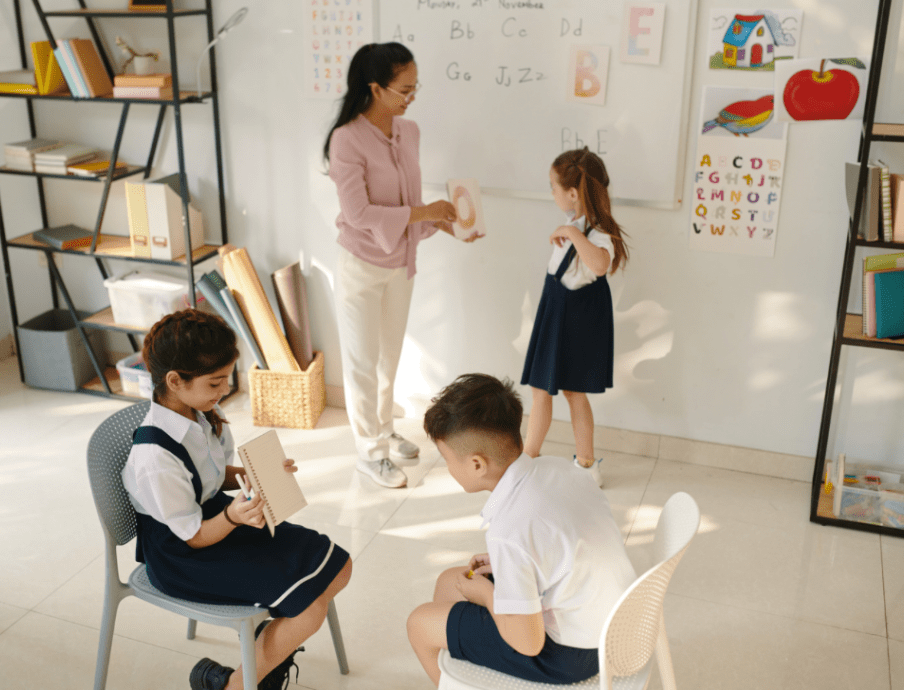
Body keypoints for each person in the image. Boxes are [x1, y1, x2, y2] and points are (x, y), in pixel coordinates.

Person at [120, 310, 352, 690]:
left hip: (216, 521)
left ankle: (253, 669)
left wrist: (258, 474)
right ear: (175, 381)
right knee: (309, 609)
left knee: (339, 566)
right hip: (183, 556)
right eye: (215, 382)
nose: (224, 389)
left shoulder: (201, 412)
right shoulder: (154, 459)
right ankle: (236, 684)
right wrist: (232, 516)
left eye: (225, 378)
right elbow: (191, 536)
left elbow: (209, 475)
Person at [406, 374, 636, 686]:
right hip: (613, 624)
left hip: (569, 655)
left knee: (419, 623)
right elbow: (551, 544)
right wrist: (506, 570)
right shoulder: (560, 469)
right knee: (449, 582)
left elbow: (528, 644)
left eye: (447, 459)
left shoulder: (510, 530)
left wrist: (487, 594)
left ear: (476, 464)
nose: (447, 467)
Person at [324, 41, 480, 490]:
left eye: (415, 87)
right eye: (404, 89)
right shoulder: (346, 139)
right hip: (360, 266)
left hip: (400, 263)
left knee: (389, 358)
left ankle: (384, 429)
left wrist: (449, 224)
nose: (411, 97)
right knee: (361, 362)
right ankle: (369, 453)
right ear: (375, 88)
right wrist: (425, 213)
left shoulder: (407, 132)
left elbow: (410, 205)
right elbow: (359, 214)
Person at [520, 148, 629, 487]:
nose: (551, 192)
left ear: (572, 193)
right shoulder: (573, 226)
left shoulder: (597, 232)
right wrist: (570, 231)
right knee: (541, 389)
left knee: (573, 392)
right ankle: (528, 457)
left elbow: (599, 266)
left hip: (578, 318)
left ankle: (585, 463)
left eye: (554, 186)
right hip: (554, 311)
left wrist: (573, 235)